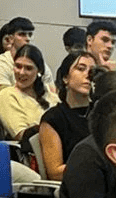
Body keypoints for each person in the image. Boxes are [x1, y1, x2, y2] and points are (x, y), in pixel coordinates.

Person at [38, 50, 95, 180]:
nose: (88, 75)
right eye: (81, 69)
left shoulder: (101, 113)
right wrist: (96, 166)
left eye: (92, 72)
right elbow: (55, 172)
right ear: (65, 78)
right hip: (76, 185)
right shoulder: (53, 118)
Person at [0, 42, 50, 140]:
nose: (21, 72)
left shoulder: (49, 94)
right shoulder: (7, 95)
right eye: (18, 66)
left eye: (28, 68)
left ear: (39, 71)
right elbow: (22, 135)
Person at [0, 16, 55, 94]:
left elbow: (52, 92)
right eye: (22, 34)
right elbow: (4, 97)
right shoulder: (1, 65)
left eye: (30, 34)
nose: (28, 38)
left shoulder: (39, 62)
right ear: (10, 39)